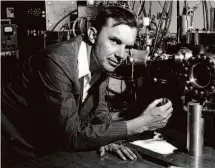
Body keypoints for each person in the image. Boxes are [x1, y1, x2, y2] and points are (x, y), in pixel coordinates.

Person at [1, 6, 173, 167]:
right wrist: (139, 124)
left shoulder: (102, 62)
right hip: (13, 143)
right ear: (92, 34)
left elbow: (99, 107)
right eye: (114, 41)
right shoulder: (57, 61)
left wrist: (108, 138)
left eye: (127, 47)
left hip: (46, 144)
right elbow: (72, 136)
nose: (121, 55)